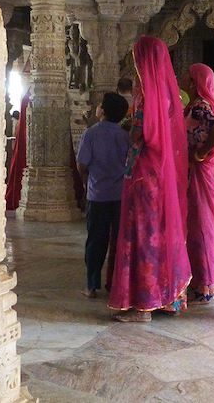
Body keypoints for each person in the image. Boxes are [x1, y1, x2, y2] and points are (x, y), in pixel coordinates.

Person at [109, 36, 192, 322]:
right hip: (160, 173)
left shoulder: (144, 95)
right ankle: (167, 298)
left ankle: (144, 304)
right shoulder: (169, 95)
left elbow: (140, 135)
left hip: (143, 173)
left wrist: (128, 133)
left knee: (142, 236)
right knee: (159, 232)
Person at [77, 93, 130, 298]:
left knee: (96, 240)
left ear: (103, 111)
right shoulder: (125, 136)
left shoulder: (91, 133)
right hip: (120, 196)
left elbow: (82, 165)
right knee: (118, 241)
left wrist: (85, 185)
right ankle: (116, 284)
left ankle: (92, 285)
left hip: (97, 194)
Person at [181, 64, 214, 303]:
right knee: (205, 223)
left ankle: (205, 281)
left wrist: (200, 154)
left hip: (203, 173)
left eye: (189, 78)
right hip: (207, 173)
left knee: (202, 225)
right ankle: (205, 278)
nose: (185, 82)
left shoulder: (200, 106)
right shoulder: (209, 105)